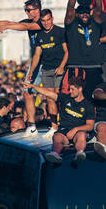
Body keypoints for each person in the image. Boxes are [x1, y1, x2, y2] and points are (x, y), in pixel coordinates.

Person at [0, 0, 44, 137]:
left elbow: (25, 27)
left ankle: (54, 124)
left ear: (37, 10)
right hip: (36, 62)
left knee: (51, 95)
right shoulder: (29, 21)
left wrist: (8, 27)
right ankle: (31, 125)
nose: (27, 13)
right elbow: (12, 23)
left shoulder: (42, 22)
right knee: (27, 92)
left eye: (29, 10)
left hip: (48, 62)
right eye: (25, 10)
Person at [23, 76, 95, 164]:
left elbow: (90, 126)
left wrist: (75, 129)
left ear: (80, 89)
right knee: (57, 136)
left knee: (81, 134)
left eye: (72, 89)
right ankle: (55, 154)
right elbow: (48, 93)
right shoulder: (65, 98)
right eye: (69, 89)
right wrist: (33, 86)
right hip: (64, 131)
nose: (70, 91)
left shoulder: (88, 105)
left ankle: (79, 153)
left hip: (78, 132)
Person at [28, 8, 68, 138]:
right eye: (43, 21)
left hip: (59, 69)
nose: (46, 23)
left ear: (52, 19)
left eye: (48, 20)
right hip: (46, 69)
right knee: (50, 99)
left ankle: (64, 124)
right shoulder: (39, 35)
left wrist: (62, 66)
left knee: (59, 98)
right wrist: (32, 71)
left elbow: (67, 51)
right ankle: (54, 126)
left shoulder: (60, 32)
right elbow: (37, 54)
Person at [63, 0, 103, 99]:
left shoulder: (95, 22)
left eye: (87, 11)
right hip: (75, 66)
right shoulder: (71, 23)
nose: (84, 14)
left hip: (94, 67)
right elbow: (70, 7)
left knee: (93, 98)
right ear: (76, 13)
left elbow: (99, 9)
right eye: (81, 12)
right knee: (74, 98)